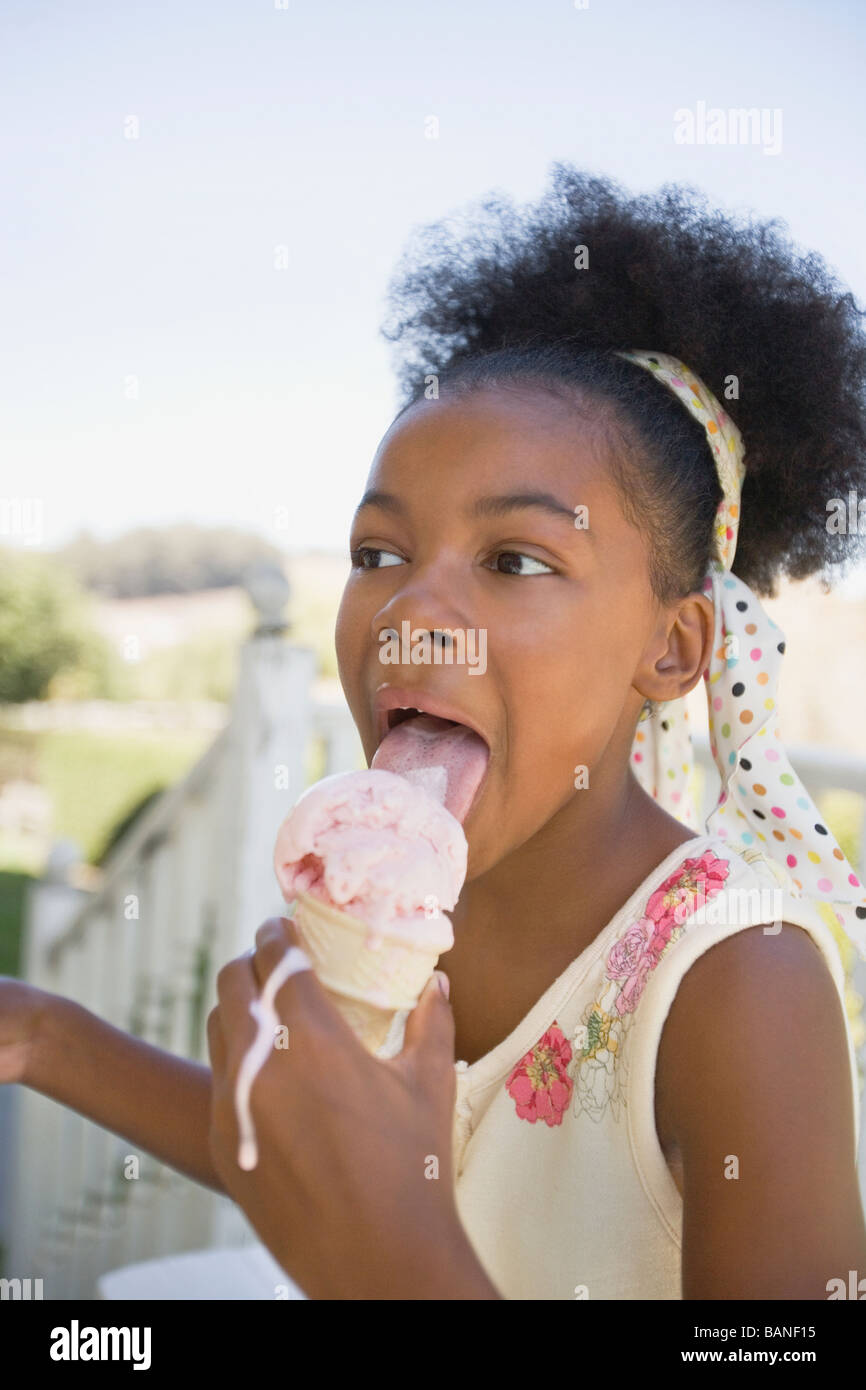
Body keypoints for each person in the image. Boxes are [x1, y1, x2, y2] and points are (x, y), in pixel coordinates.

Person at [3, 166, 866, 1300]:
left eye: (514, 560)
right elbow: (318, 1155)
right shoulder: (381, 907)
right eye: (378, 555)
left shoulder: (736, 979)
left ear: (671, 648)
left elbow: (380, 1223)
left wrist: (392, 1263)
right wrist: (42, 1036)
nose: (409, 609)